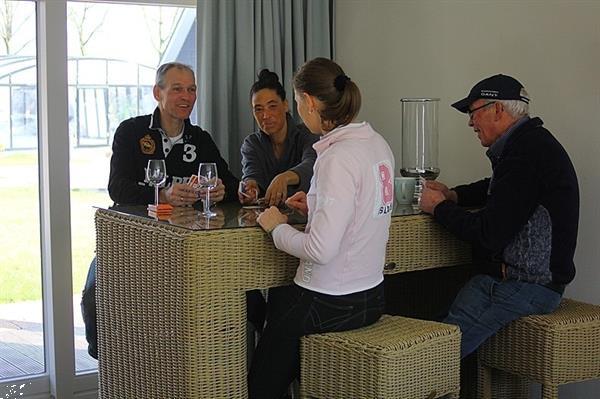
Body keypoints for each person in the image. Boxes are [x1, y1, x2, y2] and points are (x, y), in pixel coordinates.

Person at [248, 57, 395, 399]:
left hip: (328, 301)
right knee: (279, 311)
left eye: (298, 103)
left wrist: (275, 226)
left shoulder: (336, 157)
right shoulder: (377, 145)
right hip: (372, 296)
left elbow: (320, 250)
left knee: (261, 382)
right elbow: (364, 210)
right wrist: (315, 204)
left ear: (310, 102)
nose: (299, 111)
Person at [81, 62, 241, 359]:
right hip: (132, 241)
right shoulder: (131, 131)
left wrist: (221, 191)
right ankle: (110, 361)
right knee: (94, 294)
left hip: (185, 249)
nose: (186, 96)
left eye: (191, 89)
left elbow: (232, 184)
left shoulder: (200, 139)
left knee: (240, 298)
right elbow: (117, 188)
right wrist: (161, 194)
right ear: (158, 92)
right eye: (177, 88)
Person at [419, 74, 579, 359]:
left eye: (472, 113)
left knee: (430, 355)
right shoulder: (531, 145)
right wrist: (455, 195)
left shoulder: (526, 154)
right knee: (430, 329)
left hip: (525, 287)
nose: (470, 123)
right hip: (524, 283)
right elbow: (500, 189)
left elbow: (487, 233)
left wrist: (438, 208)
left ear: (497, 109)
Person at [239, 69, 318, 207]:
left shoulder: (307, 134)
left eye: (272, 106)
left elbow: (313, 164)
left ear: (285, 105)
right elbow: (252, 173)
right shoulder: (252, 143)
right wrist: (250, 188)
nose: (265, 115)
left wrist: (284, 178)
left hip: (304, 214)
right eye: (258, 109)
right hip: (266, 217)